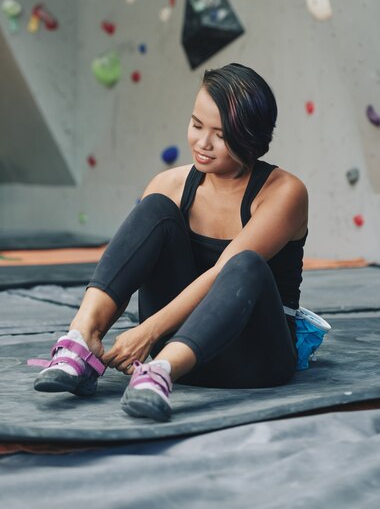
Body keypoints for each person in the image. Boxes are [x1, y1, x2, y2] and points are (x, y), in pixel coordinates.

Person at [29, 63, 309, 423]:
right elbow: (128, 272)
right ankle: (80, 342)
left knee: (245, 263)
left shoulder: (284, 192)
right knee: (156, 208)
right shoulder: (171, 185)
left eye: (221, 135)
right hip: (176, 351)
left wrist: (146, 334)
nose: (202, 143)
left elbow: (224, 273)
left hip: (254, 359)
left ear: (251, 137)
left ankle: (160, 372)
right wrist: (106, 333)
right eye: (196, 125)